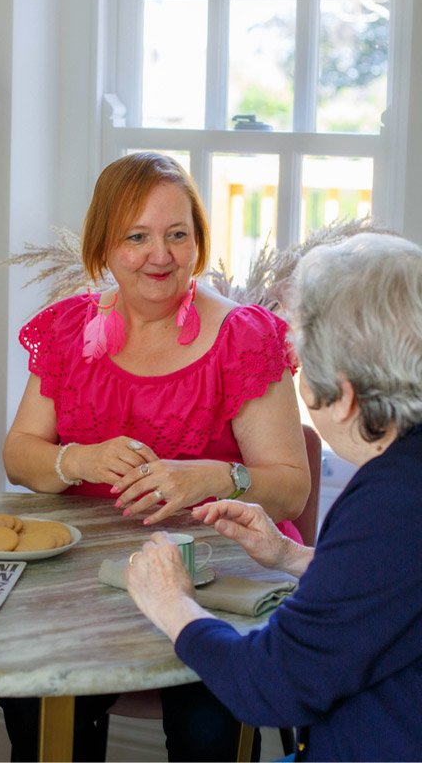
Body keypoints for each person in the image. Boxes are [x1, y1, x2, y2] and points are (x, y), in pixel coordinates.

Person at [1, 152, 310, 761]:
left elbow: (291, 488)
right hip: (88, 581)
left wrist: (213, 477)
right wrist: (78, 461)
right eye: (136, 237)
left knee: (205, 728)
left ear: (198, 240)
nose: (160, 255)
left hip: (215, 580)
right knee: (33, 705)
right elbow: (19, 455)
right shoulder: (67, 330)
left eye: (177, 235)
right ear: (104, 247)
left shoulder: (246, 337)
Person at [126, 232, 422, 761]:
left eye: (304, 367)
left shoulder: (394, 502)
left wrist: (171, 603)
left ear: (346, 394)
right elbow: (395, 588)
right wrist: (293, 556)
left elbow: (269, 686)